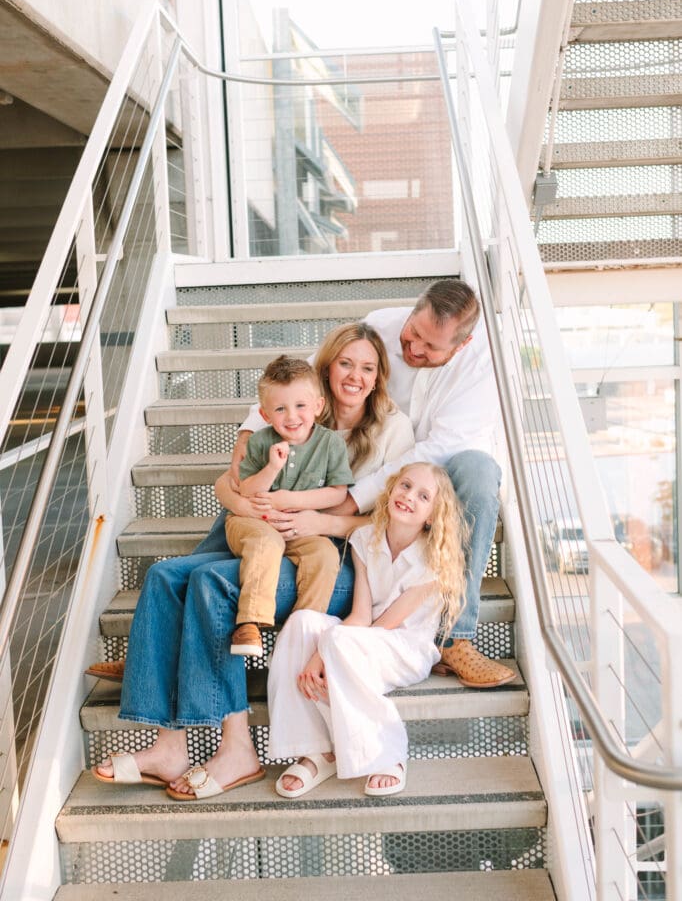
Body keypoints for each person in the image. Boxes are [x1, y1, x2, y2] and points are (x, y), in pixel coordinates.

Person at [91, 322, 414, 795]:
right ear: (326, 369)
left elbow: (395, 523)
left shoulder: (393, 429)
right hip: (264, 535)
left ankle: (238, 748)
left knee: (211, 583)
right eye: (346, 363)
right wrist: (248, 506)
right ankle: (168, 747)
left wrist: (319, 523)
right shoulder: (290, 406)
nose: (355, 376)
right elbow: (231, 483)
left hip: (334, 559)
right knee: (162, 576)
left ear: (379, 374)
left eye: (367, 367)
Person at [232, 279, 512, 689]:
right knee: (255, 482)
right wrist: (249, 429)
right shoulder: (382, 325)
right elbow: (308, 375)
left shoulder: (485, 362)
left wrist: (351, 500)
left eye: (430, 347)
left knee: (480, 472)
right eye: (413, 333)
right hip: (368, 461)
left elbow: (437, 448)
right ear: (413, 310)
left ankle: (455, 637)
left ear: (461, 344)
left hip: (435, 470)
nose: (414, 348)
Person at [266, 463, 466, 800]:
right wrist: (323, 648)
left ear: (432, 516)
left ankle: (387, 754)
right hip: (363, 638)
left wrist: (324, 653)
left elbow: (387, 623)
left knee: (338, 641)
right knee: (302, 622)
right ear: (391, 490)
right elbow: (360, 614)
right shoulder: (365, 538)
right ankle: (318, 750)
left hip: (405, 648)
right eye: (405, 486)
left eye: (423, 496)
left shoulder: (434, 558)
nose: (409, 497)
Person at [226, 356, 353, 658]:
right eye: (280, 409)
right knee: (267, 541)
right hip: (251, 523)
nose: (292, 416)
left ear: (318, 406)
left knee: (325, 554)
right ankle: (250, 622)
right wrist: (272, 467)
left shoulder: (330, 444)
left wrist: (292, 501)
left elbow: (338, 493)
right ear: (265, 414)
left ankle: (300, 633)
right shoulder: (260, 442)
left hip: (296, 528)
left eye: (300, 406)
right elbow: (246, 489)